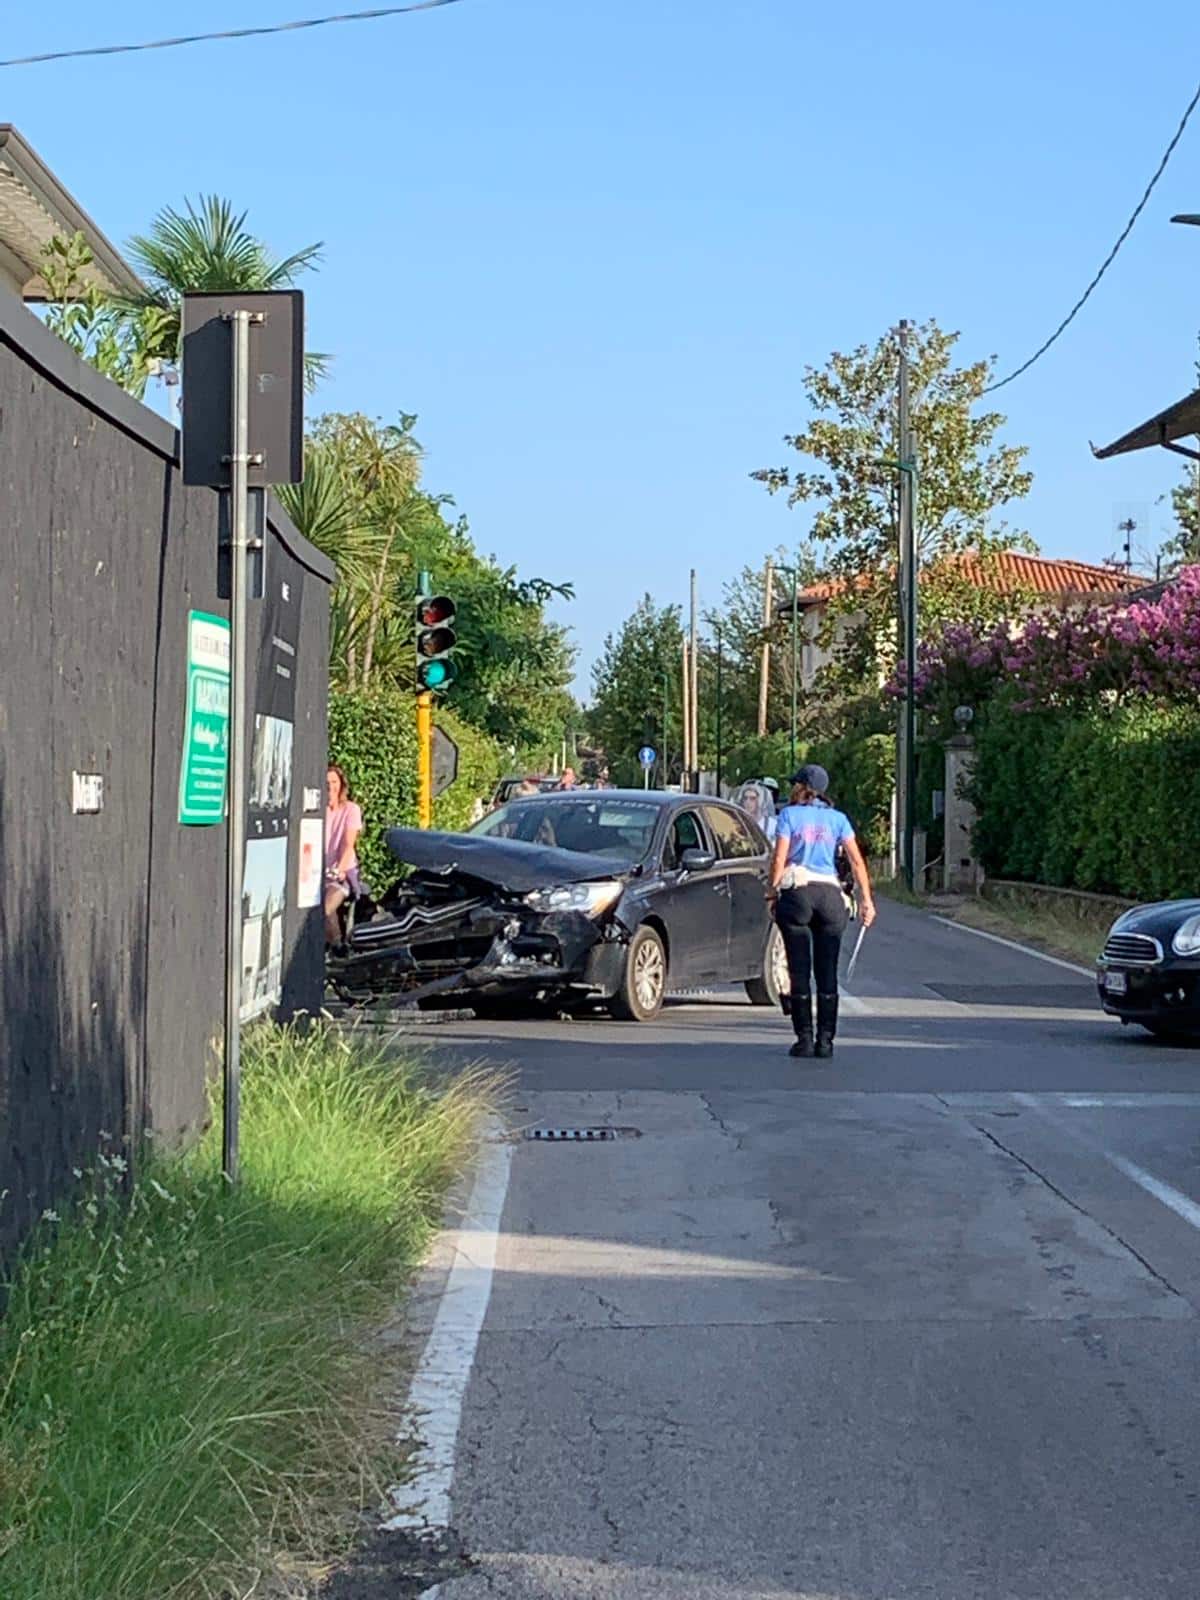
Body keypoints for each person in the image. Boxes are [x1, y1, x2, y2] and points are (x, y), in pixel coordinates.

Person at [768, 763, 876, 1060]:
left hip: (798, 893)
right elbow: (856, 861)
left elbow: (779, 858)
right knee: (827, 971)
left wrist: (771, 892)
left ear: (801, 787)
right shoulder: (838, 819)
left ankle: (803, 1039)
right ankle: (826, 1041)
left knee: (799, 969)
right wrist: (866, 900)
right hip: (830, 895)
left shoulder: (788, 815)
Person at [325, 763, 363, 947]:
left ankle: (338, 947)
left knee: (325, 908)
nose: (330, 787)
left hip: (340, 875)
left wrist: (339, 869)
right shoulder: (316, 811)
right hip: (314, 874)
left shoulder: (351, 810)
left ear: (341, 784)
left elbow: (348, 845)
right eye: (326, 783)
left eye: (334, 782)